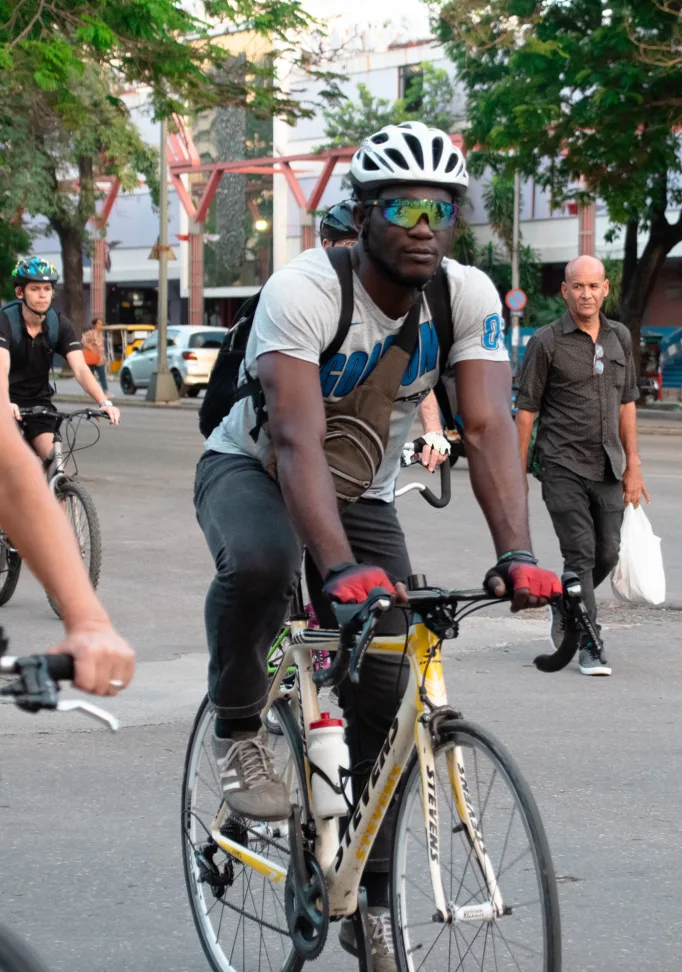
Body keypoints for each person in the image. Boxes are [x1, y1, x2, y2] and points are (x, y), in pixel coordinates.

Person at [195, 121, 560, 970]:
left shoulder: (463, 296)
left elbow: (487, 425)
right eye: (402, 205)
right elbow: (290, 441)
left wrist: (517, 552)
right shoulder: (305, 291)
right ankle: (240, 725)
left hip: (354, 488)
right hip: (251, 468)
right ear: (362, 216)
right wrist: (342, 567)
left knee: (391, 684)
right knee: (264, 562)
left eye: (445, 208)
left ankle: (367, 891)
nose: (425, 223)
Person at [516, 255, 649, 677]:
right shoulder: (546, 342)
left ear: (605, 289)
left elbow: (627, 402)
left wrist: (634, 466)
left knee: (608, 551)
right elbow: (525, 411)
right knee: (582, 554)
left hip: (609, 464)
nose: (586, 294)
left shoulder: (620, 338)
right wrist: (514, 475)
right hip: (561, 464)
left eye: (593, 286)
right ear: (565, 291)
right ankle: (591, 645)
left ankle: (563, 598)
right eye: (578, 286)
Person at [0, 368, 134, 695]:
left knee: (44, 457)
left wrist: (88, 620)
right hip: (21, 410)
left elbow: (10, 475)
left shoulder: (56, 329)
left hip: (37, 414)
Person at [320, 200, 450, 474]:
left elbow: (415, 375)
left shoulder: (396, 304)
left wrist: (435, 432)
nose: (356, 256)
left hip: (367, 460)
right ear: (325, 247)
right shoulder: (311, 302)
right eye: (347, 246)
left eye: (362, 246)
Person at [0, 257, 120, 460]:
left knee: (54, 460)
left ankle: (60, 490)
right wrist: (5, 402)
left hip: (39, 405)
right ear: (20, 292)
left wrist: (104, 401)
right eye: (35, 289)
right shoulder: (5, 321)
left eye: (47, 289)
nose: (42, 295)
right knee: (12, 465)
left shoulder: (59, 325)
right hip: (4, 401)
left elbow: (81, 369)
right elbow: (2, 366)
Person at [82, 317, 109, 394]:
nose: (100, 326)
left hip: (100, 359)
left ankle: (105, 390)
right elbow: (84, 341)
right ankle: (88, 391)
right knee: (90, 376)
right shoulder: (90, 333)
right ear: (94, 325)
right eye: (99, 324)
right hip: (92, 358)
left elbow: (101, 347)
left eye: (101, 324)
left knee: (102, 375)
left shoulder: (100, 334)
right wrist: (92, 348)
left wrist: (103, 356)